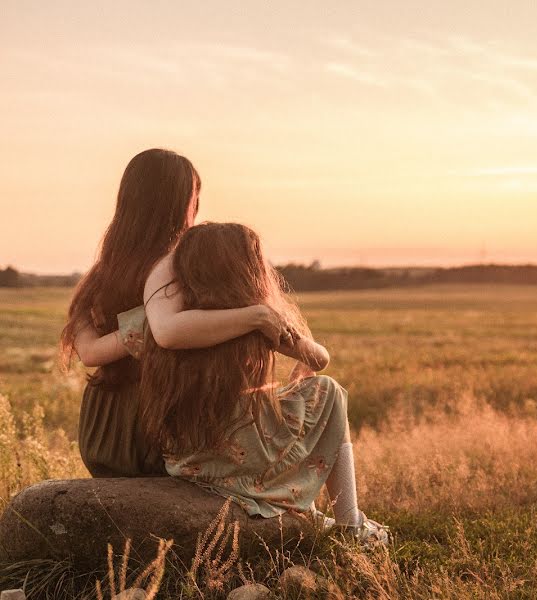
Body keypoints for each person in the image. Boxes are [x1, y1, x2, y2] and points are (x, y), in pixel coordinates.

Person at [139, 222, 388, 546]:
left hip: (185, 459)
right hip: (237, 456)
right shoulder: (254, 320)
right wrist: (282, 333)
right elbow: (319, 358)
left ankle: (309, 515)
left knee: (269, 401)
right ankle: (351, 523)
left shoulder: (180, 317)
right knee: (328, 392)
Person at [60, 149, 298, 478]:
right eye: (195, 196)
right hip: (154, 426)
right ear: (181, 203)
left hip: (99, 431)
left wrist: (136, 330)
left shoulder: (100, 275)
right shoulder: (180, 272)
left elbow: (89, 352)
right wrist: (155, 325)